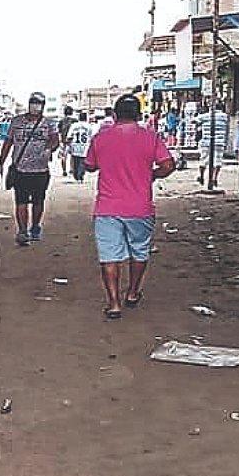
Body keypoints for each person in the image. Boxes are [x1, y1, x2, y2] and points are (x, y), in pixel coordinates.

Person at [84, 94, 176, 320]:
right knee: (139, 251)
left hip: (107, 207)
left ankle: (114, 303)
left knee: (109, 256)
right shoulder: (150, 137)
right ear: (138, 114)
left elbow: (89, 166)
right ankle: (133, 292)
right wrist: (150, 175)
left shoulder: (101, 138)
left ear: (114, 115)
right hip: (140, 207)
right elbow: (168, 165)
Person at [0, 92, 60, 246]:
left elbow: (55, 140)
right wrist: (0, 163)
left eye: (38, 103)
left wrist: (49, 149)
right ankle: (22, 231)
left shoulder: (49, 123)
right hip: (20, 170)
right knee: (21, 201)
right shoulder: (17, 122)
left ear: (43, 105)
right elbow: (8, 142)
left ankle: (35, 227)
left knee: (38, 201)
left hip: (40, 170)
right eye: (33, 102)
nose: (35, 105)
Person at [196, 102, 229, 189]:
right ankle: (214, 178)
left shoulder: (205, 116)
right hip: (219, 142)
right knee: (217, 161)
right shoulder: (225, 117)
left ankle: (201, 176)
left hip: (206, 141)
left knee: (204, 159)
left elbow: (194, 121)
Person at [67, 111, 94, 183]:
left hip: (75, 145)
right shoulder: (89, 126)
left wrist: (68, 144)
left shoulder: (74, 125)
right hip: (85, 146)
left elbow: (69, 136)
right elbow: (92, 137)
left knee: (76, 161)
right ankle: (80, 176)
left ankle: (76, 175)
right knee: (82, 161)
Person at [56, 105, 76, 177]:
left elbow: (59, 132)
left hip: (64, 141)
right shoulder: (74, 121)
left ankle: (64, 170)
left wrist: (60, 141)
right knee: (73, 156)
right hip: (72, 141)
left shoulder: (61, 121)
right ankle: (71, 169)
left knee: (64, 157)